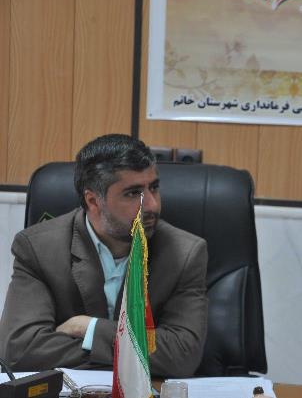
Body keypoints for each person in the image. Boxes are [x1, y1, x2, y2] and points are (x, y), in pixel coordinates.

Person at [0, 134, 208, 377]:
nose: (152, 205)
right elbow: (19, 351)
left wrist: (89, 328)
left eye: (154, 187)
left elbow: (181, 356)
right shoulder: (38, 248)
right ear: (93, 201)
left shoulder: (185, 253)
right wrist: (130, 352)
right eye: (133, 193)